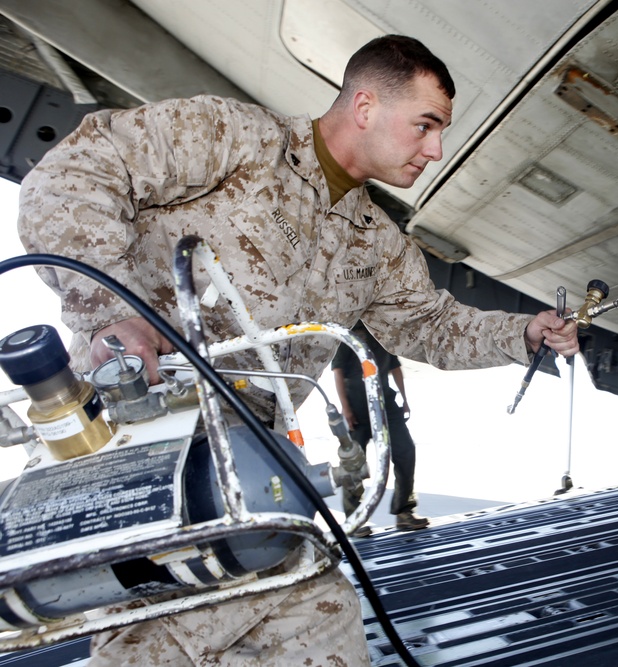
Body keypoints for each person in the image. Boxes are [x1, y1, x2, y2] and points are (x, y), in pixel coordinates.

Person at [17, 34, 578, 666]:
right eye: (425, 126)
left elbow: (428, 325)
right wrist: (111, 315)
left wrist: (524, 335)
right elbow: (75, 174)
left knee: (319, 612)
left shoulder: (377, 243)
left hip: (252, 467)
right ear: (365, 106)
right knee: (163, 636)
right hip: (147, 443)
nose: (435, 150)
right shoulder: (236, 138)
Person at [333, 322, 426, 534]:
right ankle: (355, 519)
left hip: (387, 407)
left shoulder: (384, 332)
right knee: (353, 463)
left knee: (405, 451)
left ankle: (404, 512)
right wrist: (346, 408)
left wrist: (404, 398)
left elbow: (395, 367)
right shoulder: (350, 333)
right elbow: (338, 371)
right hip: (357, 408)